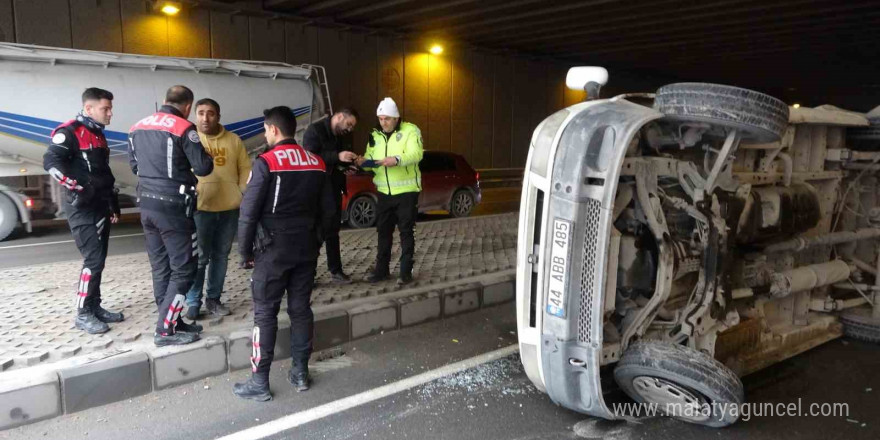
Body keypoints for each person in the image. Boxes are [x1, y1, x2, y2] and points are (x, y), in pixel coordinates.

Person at [233, 106, 336, 401]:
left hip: (272, 251)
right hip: (306, 249)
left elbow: (248, 212)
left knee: (265, 313)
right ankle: (300, 373)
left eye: (265, 129)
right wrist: (318, 242)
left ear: (274, 130)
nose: (265, 134)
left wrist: (244, 252)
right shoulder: (316, 163)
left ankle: (259, 382)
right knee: (301, 310)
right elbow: (329, 213)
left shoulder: (266, 162)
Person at [128, 85, 214, 346]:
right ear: (188, 106)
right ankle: (165, 330)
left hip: (147, 205)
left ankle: (170, 319)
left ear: (165, 100)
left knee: (161, 266)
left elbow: (134, 166)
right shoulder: (183, 128)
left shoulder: (137, 127)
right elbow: (203, 167)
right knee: (185, 267)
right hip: (174, 208)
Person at [43, 87, 124, 334]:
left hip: (100, 206)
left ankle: (95, 307)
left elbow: (103, 173)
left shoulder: (98, 135)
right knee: (93, 260)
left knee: (99, 261)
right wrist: (79, 188)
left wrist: (112, 202)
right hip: (82, 209)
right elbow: (51, 163)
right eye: (105, 109)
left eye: (110, 108)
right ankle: (83, 313)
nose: (110, 113)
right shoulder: (69, 132)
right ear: (89, 108)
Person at [184, 98, 251, 319]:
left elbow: (245, 168)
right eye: (201, 113)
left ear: (218, 116)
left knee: (221, 256)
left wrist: (240, 193)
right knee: (200, 258)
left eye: (210, 113)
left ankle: (213, 299)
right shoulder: (190, 139)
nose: (205, 118)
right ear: (195, 115)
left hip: (229, 209)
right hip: (201, 209)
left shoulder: (234, 140)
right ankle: (193, 301)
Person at [357, 97, 423, 285]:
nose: (383, 122)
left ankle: (405, 271)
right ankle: (382, 270)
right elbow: (372, 160)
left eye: (387, 118)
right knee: (383, 231)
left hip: (407, 191)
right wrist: (363, 163)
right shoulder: (375, 135)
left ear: (396, 118)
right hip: (384, 192)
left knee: (406, 231)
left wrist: (396, 159)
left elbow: (416, 154)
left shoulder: (410, 130)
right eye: (380, 118)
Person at [302, 107, 359, 284]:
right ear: (340, 116)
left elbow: (336, 163)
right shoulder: (315, 130)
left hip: (333, 190)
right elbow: (310, 157)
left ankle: (336, 271)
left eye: (352, 127)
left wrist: (347, 167)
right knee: (315, 234)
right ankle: (307, 275)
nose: (349, 129)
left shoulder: (341, 136)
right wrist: (337, 155)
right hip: (316, 192)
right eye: (349, 124)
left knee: (333, 232)